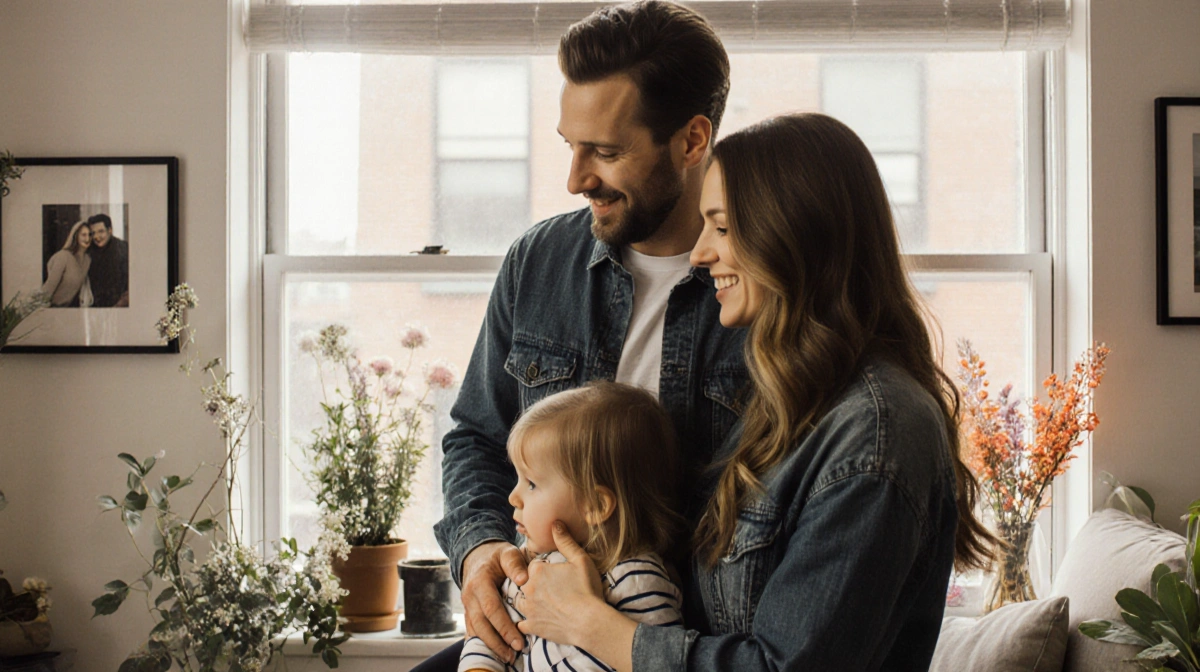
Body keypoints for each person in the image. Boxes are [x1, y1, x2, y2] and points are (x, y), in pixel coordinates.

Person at [512, 113, 998, 671]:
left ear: (793, 233)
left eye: (720, 228)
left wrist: (588, 625)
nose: (699, 254)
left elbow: (782, 666)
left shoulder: (877, 433)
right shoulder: (789, 398)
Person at [420, 2, 747, 670]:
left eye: (605, 152)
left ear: (691, 141)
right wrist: (482, 551)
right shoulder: (538, 262)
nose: (576, 179)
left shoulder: (760, 286)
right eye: (572, 145)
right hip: (535, 634)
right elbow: (477, 439)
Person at [459, 382, 683, 672]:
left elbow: (656, 662)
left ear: (595, 505)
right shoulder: (530, 565)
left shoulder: (637, 582)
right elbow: (493, 639)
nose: (513, 497)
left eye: (532, 483)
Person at [42, 220, 94, 307]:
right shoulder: (63, 257)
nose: (87, 239)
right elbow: (48, 289)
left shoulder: (87, 260)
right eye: (83, 235)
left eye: (89, 235)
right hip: (51, 308)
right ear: (75, 236)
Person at [86, 213, 129, 307]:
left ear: (110, 230)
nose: (97, 237)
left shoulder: (124, 249)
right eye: (93, 233)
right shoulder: (89, 251)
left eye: (101, 231)